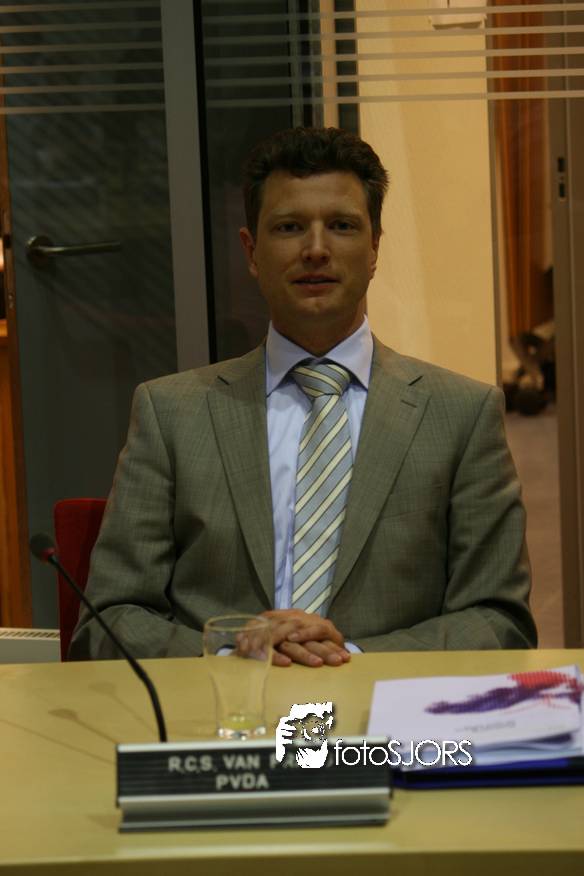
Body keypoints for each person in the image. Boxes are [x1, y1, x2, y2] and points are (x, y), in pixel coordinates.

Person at [69, 126, 537, 666]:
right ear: (251, 251)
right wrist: (235, 654)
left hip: (381, 710)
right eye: (289, 227)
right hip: (225, 704)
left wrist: (349, 656)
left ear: (375, 248)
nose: (316, 250)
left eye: (342, 226)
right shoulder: (170, 414)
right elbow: (109, 619)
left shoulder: (462, 414)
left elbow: (499, 620)